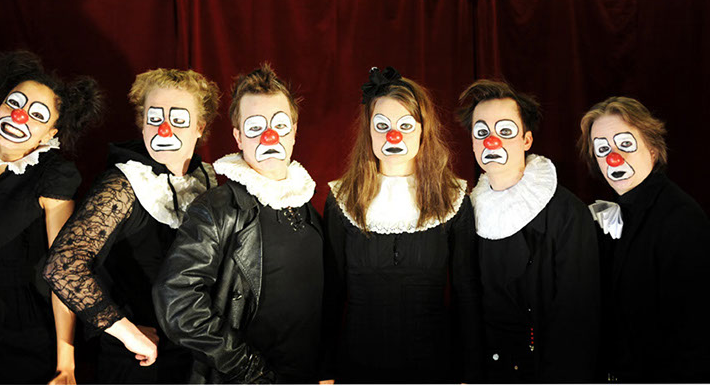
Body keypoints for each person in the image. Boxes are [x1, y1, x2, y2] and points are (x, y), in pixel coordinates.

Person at [43, 68, 219, 383]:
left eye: (178, 119)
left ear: (199, 127)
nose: (164, 129)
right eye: (154, 118)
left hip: (196, 354)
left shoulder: (206, 177)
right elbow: (63, 265)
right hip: (140, 360)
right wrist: (127, 333)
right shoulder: (124, 182)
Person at [153, 64, 323, 383]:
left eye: (279, 125)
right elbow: (177, 299)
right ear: (239, 137)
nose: (270, 136)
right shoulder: (217, 208)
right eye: (255, 127)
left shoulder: (306, 204)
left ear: (294, 131)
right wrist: (248, 369)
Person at [0, 50, 102, 384]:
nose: (18, 116)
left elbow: (64, 272)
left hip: (18, 327)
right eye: (14, 103)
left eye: (37, 114)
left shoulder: (53, 178)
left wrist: (66, 363)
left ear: (50, 134)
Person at [322, 67, 481, 383]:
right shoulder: (342, 199)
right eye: (382, 126)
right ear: (368, 131)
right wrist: (324, 370)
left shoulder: (453, 198)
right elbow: (330, 292)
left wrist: (471, 373)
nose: (392, 135)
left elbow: (467, 293)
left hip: (434, 368)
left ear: (423, 131)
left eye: (405, 125)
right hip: (357, 368)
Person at [457, 79, 599, 382]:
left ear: (526, 140)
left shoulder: (568, 214)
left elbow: (577, 319)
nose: (491, 142)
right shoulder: (467, 213)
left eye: (505, 131)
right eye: (481, 133)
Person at [580, 96, 710, 382]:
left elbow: (694, 337)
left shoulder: (680, 218)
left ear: (652, 149)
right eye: (602, 149)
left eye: (625, 144)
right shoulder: (608, 215)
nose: (613, 157)